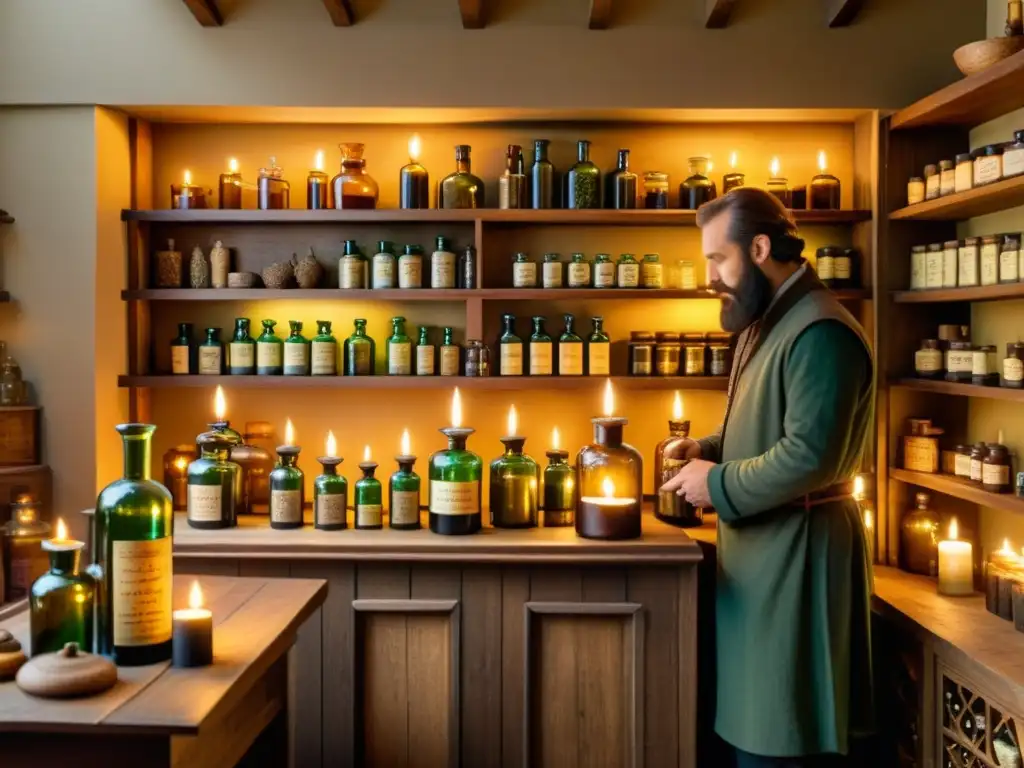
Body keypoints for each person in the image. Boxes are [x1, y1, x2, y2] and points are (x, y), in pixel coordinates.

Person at [660, 188, 874, 768]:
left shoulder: (820, 330)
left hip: (799, 560)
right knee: (754, 727)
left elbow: (810, 457)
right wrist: (704, 448)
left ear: (758, 247)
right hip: (761, 558)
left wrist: (717, 484)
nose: (710, 276)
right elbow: (765, 427)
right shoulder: (771, 320)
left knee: (784, 734)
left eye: (717, 259)